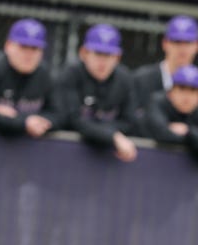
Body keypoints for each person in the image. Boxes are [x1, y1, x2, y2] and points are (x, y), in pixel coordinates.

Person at [0, 18, 60, 137]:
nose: (29, 54)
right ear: (8, 45)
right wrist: (23, 122)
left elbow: (59, 114)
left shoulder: (45, 74)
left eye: (35, 49)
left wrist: (24, 121)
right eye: (23, 46)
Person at [55, 23, 137, 162]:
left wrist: (101, 129)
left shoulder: (125, 79)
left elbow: (130, 122)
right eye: (98, 53)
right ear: (84, 53)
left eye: (108, 55)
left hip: (108, 160)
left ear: (117, 57)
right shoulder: (71, 74)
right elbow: (73, 119)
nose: (103, 61)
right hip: (66, 155)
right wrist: (112, 135)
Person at [133, 15, 198, 136]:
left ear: (197, 45)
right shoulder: (142, 79)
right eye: (177, 41)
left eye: (188, 42)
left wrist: (188, 132)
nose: (182, 48)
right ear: (165, 43)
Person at [144, 64, 198, 166]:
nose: (187, 96)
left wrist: (189, 132)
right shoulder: (156, 103)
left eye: (193, 90)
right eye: (182, 88)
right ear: (170, 93)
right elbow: (161, 134)